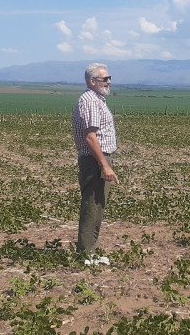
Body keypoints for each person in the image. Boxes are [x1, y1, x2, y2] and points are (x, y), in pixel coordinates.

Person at [72, 63, 119, 264]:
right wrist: (104, 165)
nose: (109, 82)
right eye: (105, 79)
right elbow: (91, 137)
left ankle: (90, 251)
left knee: (98, 204)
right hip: (94, 160)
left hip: (97, 159)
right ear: (92, 81)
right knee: (92, 205)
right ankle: (85, 254)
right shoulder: (90, 101)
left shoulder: (96, 99)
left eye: (109, 78)